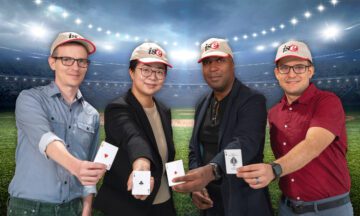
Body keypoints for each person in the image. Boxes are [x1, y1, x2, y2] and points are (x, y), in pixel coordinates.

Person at [237, 40, 353, 215]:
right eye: (284, 68)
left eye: (299, 67)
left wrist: (274, 169)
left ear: (310, 70)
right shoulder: (274, 112)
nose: (291, 74)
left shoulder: (327, 101)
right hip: (288, 208)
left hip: (329, 209)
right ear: (277, 73)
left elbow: (313, 144)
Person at [7, 32, 107, 216]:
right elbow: (46, 139)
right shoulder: (30, 98)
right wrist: (77, 167)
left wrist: (86, 208)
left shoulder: (91, 114)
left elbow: (90, 165)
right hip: (30, 209)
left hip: (73, 208)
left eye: (81, 61)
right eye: (67, 59)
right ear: (52, 62)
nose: (75, 67)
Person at [172, 38, 273, 216]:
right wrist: (198, 185)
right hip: (210, 202)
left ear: (232, 63)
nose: (213, 68)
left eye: (220, 60)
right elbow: (195, 148)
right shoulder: (203, 102)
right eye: (207, 62)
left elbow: (244, 143)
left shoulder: (252, 100)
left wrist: (213, 169)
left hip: (243, 202)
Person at [93, 42, 176, 216]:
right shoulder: (117, 108)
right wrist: (142, 165)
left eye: (159, 71)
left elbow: (166, 152)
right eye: (145, 69)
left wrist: (179, 178)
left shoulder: (164, 110)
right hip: (128, 206)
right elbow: (132, 137)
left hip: (164, 203)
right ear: (131, 72)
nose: (153, 77)